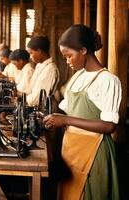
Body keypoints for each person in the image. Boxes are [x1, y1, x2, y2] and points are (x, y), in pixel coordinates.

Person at [43, 24, 121, 199]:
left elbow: (109, 125)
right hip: (72, 147)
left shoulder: (108, 80)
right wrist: (47, 117)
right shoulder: (78, 76)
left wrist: (66, 120)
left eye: (69, 56)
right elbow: (65, 110)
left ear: (84, 50)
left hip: (94, 151)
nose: (67, 61)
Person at [26, 36, 60, 106]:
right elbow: (31, 88)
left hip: (42, 109)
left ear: (39, 51)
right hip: (31, 103)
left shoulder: (50, 69)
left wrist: (24, 98)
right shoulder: (39, 65)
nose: (30, 56)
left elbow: (37, 99)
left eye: (31, 53)